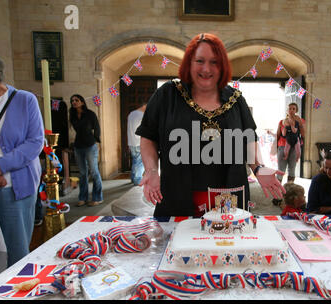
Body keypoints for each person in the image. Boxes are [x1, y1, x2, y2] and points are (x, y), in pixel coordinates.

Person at [135, 33, 286, 217]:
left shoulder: (236, 100)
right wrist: (151, 170)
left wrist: (258, 167)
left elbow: (248, 139)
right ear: (189, 63)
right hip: (178, 196)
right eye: (200, 61)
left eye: (214, 62)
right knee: (179, 242)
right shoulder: (167, 95)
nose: (206, 68)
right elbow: (148, 136)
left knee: (227, 242)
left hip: (229, 198)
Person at [0, 57, 44, 266]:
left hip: (14, 187)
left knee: (17, 255)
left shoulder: (24, 100)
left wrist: (0, 167)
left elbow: (35, 143)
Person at [69, 94, 103, 207]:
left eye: (76, 100)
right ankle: (82, 198)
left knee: (94, 171)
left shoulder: (90, 114)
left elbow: (97, 127)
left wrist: (97, 139)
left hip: (90, 145)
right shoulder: (72, 115)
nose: (74, 102)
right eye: (72, 100)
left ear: (82, 102)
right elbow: (77, 129)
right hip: (78, 146)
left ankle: (97, 197)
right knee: (83, 173)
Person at [272, 103, 305, 206]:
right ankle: (277, 196)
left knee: (292, 170)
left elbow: (303, 134)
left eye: (293, 108)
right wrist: (275, 148)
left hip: (294, 146)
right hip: (283, 146)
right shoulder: (282, 122)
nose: (291, 110)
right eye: (289, 108)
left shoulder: (300, 121)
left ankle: (289, 196)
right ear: (287, 110)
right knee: (280, 171)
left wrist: (299, 124)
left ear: (296, 110)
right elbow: (278, 134)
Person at [127, 104, 146, 186]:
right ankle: (137, 180)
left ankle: (133, 178)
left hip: (131, 142)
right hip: (139, 142)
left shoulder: (131, 114)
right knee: (140, 162)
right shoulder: (142, 116)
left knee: (135, 161)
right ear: (144, 106)